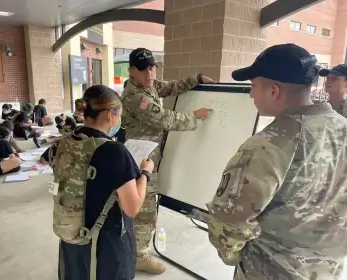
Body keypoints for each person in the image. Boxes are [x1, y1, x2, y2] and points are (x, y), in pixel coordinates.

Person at [206, 43, 347, 280]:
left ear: (274, 90)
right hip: (328, 271)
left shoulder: (267, 146)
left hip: (270, 271)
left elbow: (228, 226)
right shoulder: (343, 127)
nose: (251, 94)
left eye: (253, 86)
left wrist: (233, 257)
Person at [43, 85, 154, 280]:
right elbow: (132, 207)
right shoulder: (114, 151)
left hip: (72, 233)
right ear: (111, 115)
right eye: (119, 115)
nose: (120, 120)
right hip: (105, 245)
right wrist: (145, 173)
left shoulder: (65, 142)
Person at [121, 47, 215, 274]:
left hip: (149, 158)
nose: (150, 74)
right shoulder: (136, 96)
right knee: (144, 211)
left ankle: (132, 250)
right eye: (144, 70)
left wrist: (196, 79)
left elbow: (169, 87)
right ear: (132, 70)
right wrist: (196, 117)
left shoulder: (147, 85)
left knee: (143, 207)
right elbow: (165, 119)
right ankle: (138, 256)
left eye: (152, 68)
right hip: (141, 161)